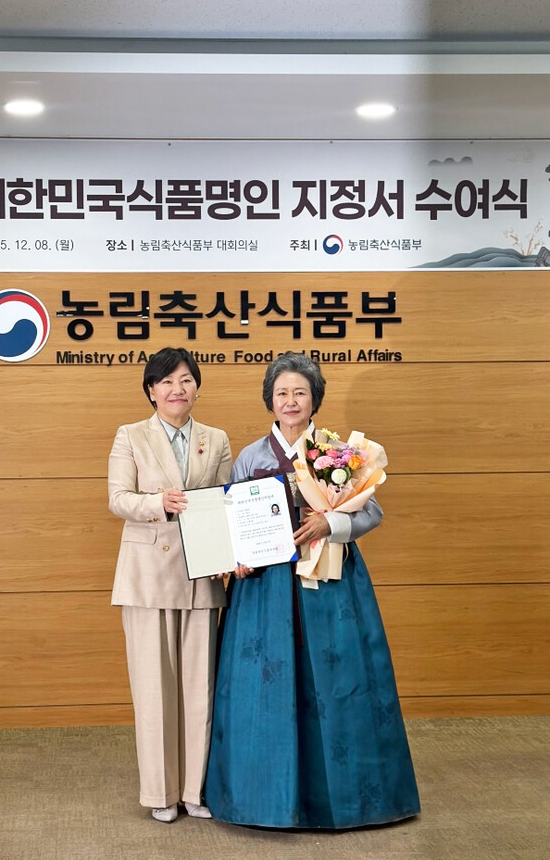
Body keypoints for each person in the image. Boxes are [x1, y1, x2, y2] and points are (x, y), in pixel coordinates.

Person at [204, 351, 420, 829]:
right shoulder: (251, 457)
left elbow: (371, 512)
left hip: (329, 582)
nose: (291, 401)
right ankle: (261, 800)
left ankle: (342, 800)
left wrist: (330, 522)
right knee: (265, 684)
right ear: (270, 400)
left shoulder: (338, 453)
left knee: (336, 682)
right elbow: (232, 518)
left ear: (314, 399)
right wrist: (236, 557)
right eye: (281, 393)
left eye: (300, 392)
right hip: (264, 587)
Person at [108, 347, 232, 823]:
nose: (176, 389)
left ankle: (195, 790)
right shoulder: (130, 435)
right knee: (154, 691)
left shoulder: (216, 439)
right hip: (148, 576)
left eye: (185, 380)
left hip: (202, 574)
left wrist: (230, 554)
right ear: (151, 391)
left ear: (197, 388)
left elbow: (224, 505)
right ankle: (161, 793)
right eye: (166, 382)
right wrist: (158, 502)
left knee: (200, 688)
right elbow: (118, 498)